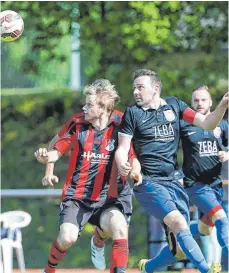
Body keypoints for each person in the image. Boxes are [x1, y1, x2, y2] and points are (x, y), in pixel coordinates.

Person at [115, 69, 228, 273]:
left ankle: (148, 267)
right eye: (134, 88)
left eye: (140, 87)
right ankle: (207, 269)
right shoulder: (133, 113)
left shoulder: (175, 105)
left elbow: (207, 123)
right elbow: (122, 148)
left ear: (156, 88)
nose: (136, 92)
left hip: (175, 183)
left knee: (179, 251)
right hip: (148, 182)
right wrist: (124, 164)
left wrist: (221, 106)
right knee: (179, 223)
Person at [34, 78, 141, 273]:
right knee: (67, 238)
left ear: (103, 108)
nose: (84, 107)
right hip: (78, 196)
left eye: (89, 104)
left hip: (110, 198)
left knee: (119, 229)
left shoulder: (122, 124)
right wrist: (46, 162)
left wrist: (135, 171)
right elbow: (56, 148)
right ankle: (48, 270)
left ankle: (100, 240)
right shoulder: (77, 124)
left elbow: (132, 155)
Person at [181, 86, 228, 262]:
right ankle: (211, 266)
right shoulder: (184, 124)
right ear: (191, 103)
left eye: (203, 100)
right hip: (195, 185)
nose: (199, 103)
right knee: (222, 220)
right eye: (196, 100)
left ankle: (177, 232)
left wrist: (227, 154)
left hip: (215, 185)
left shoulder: (222, 124)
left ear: (211, 102)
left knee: (204, 229)